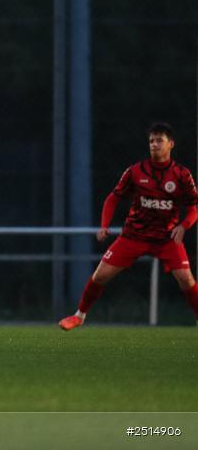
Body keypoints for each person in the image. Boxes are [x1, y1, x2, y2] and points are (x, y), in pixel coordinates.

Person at [59, 122, 198, 330]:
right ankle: (79, 316)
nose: (154, 145)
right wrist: (104, 225)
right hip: (134, 236)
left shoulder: (181, 174)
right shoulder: (135, 171)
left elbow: (194, 206)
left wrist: (184, 225)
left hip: (166, 238)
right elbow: (112, 199)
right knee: (100, 275)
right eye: (151, 141)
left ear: (171, 144)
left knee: (186, 279)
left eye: (159, 140)